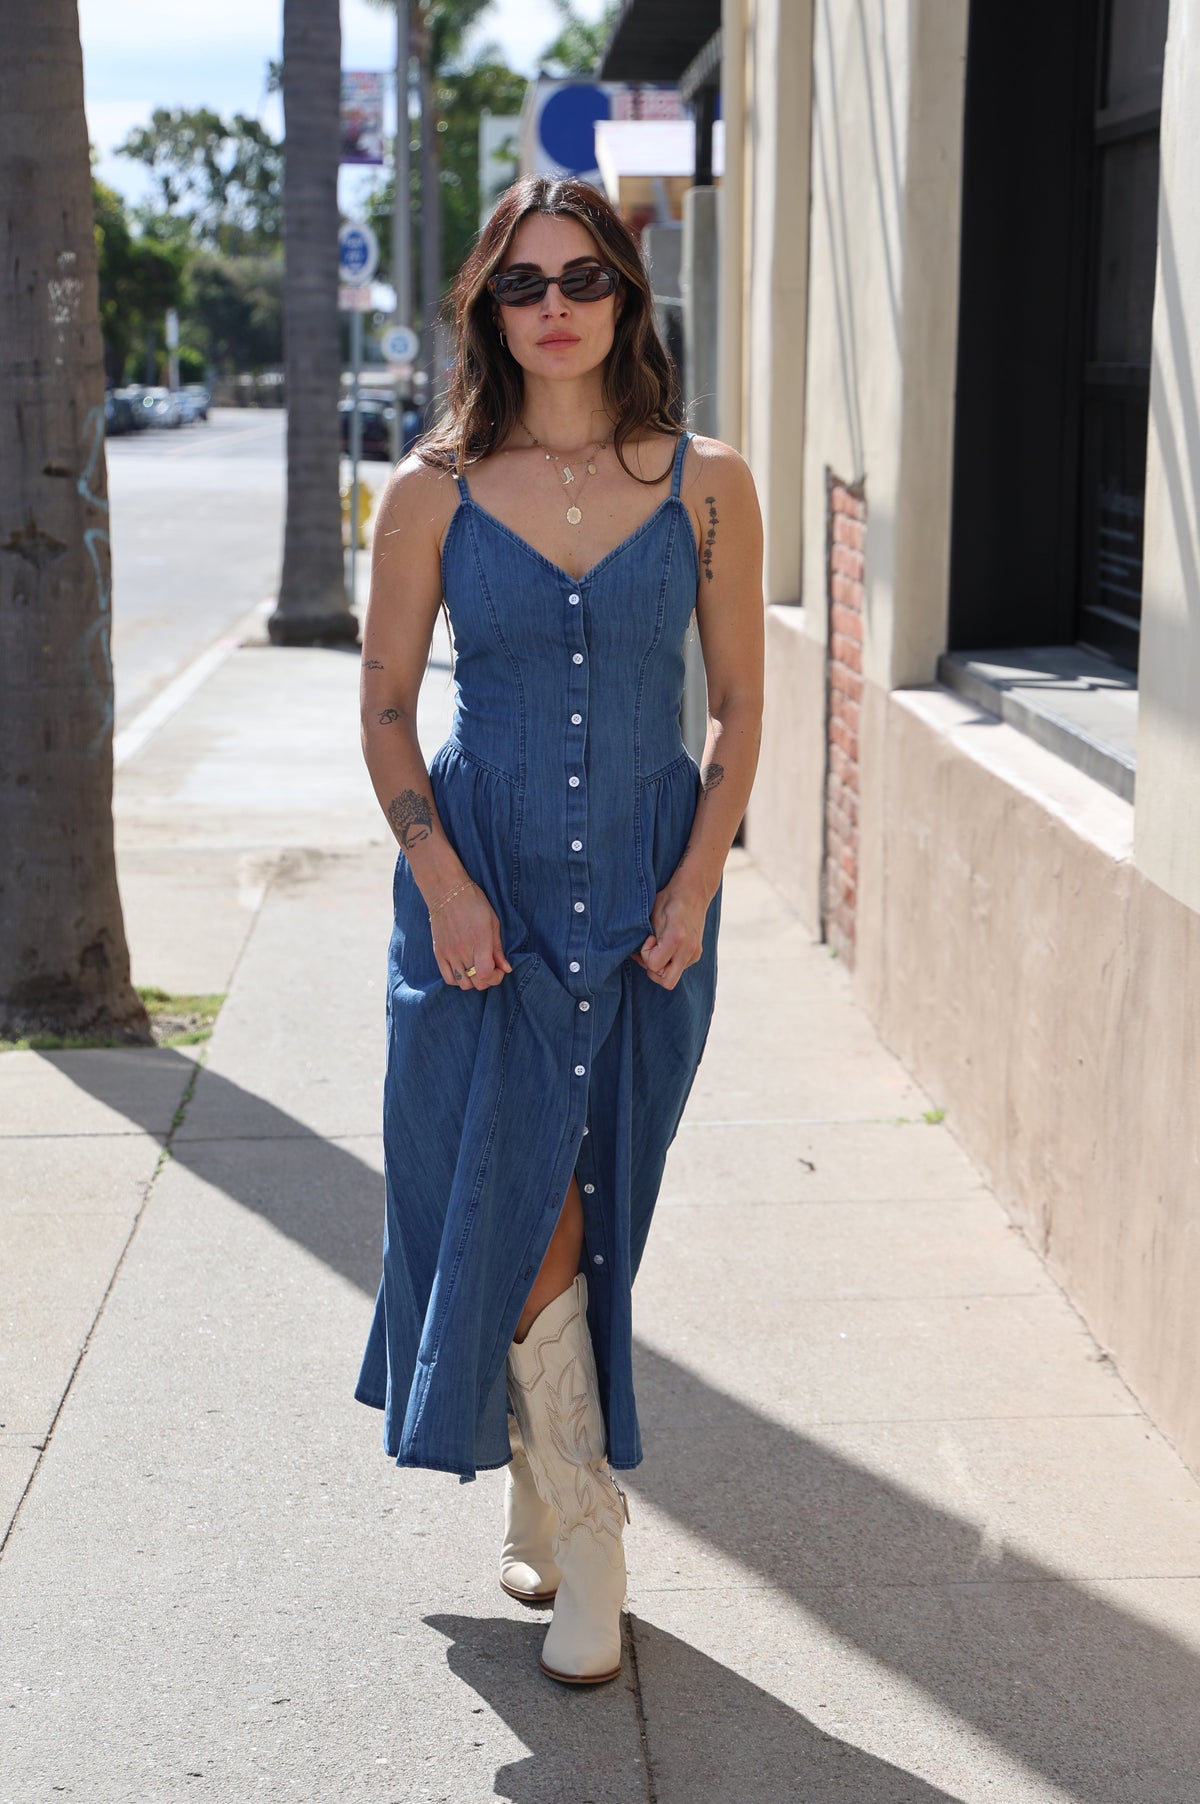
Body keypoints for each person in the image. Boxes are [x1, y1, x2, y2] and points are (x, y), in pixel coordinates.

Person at [354, 175, 764, 1685]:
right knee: (524, 1198)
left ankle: (538, 1487)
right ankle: (591, 1553)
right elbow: (388, 711)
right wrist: (446, 885)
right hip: (484, 899)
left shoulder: (706, 481)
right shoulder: (432, 490)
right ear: (488, 309)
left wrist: (702, 876)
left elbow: (738, 708)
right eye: (523, 285)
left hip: (649, 896)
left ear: (626, 298)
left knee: (601, 1196)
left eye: (582, 277)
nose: (554, 306)